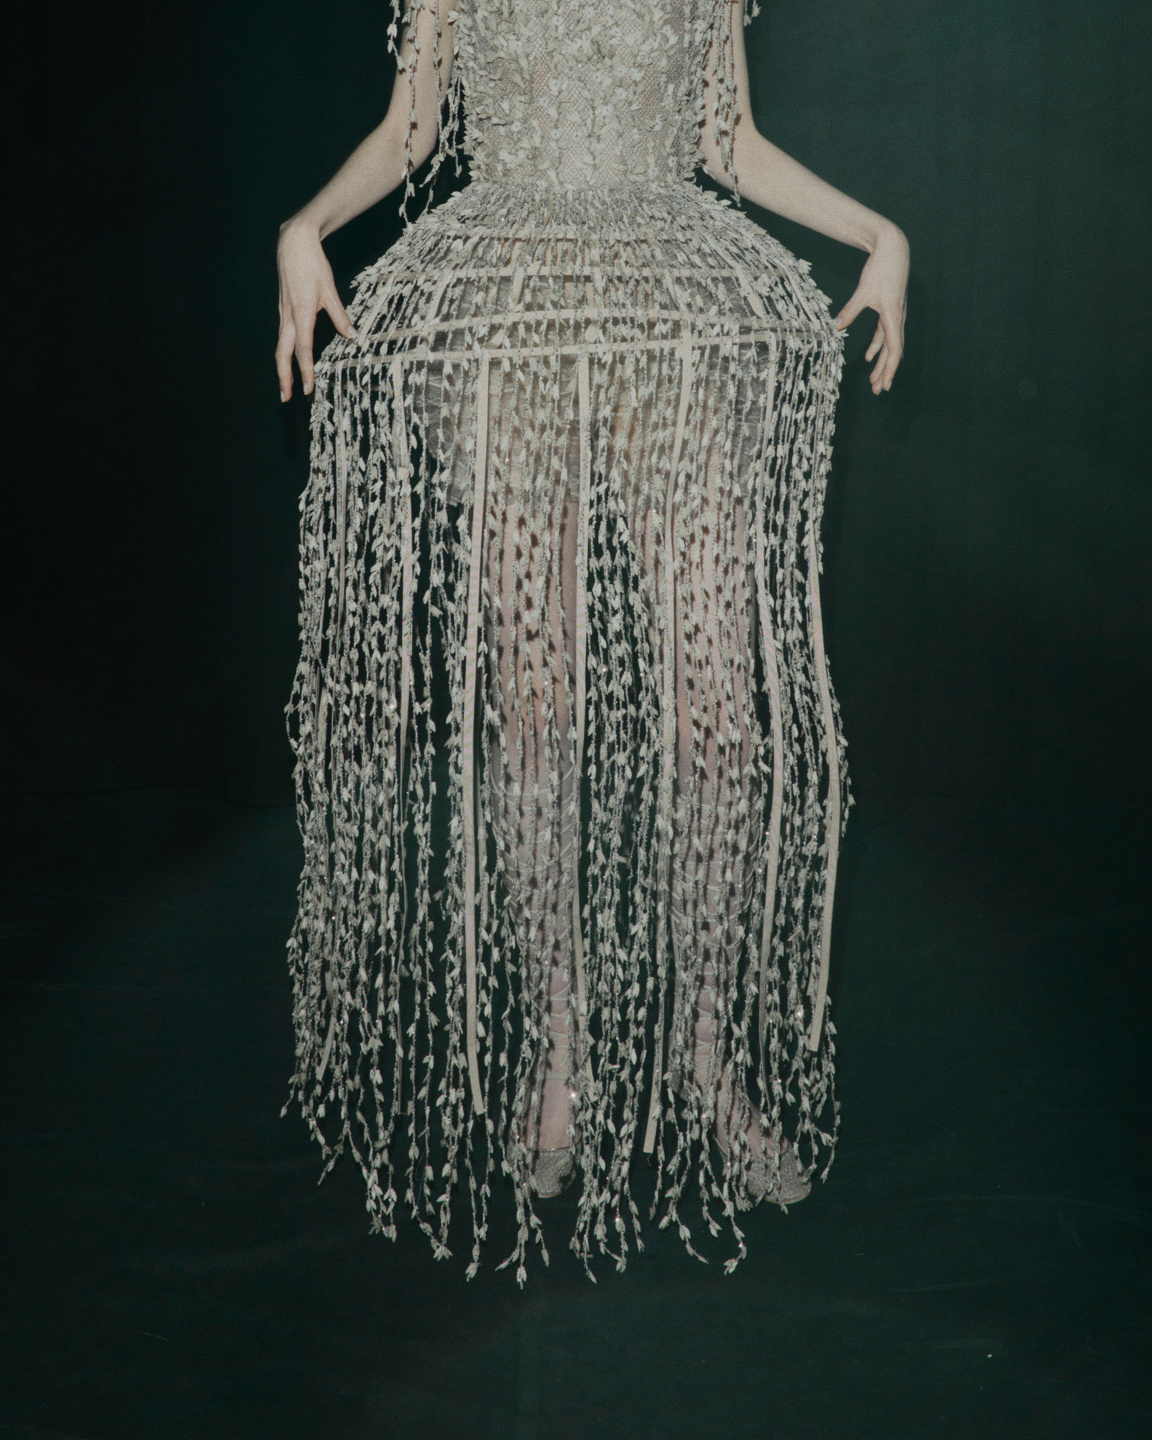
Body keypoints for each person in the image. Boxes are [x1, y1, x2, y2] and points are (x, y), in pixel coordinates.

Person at [275, 0, 908, 1282]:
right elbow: (411, 129)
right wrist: (306, 226)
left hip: (670, 311)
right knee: (536, 699)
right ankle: (559, 1049)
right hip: (508, 314)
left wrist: (876, 234)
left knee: (722, 709)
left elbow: (725, 141)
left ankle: (705, 1054)